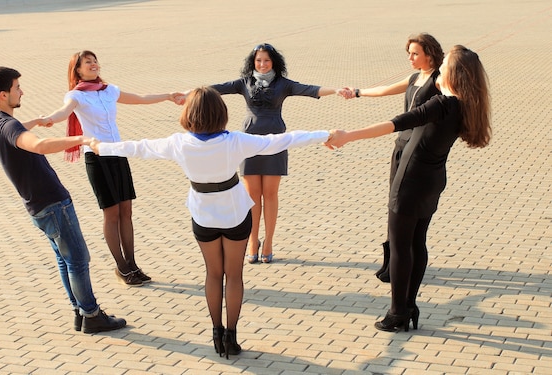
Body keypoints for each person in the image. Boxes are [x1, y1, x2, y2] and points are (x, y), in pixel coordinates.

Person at [89, 86, 342, 358]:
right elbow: (281, 140)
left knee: (213, 274)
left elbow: (138, 147)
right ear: (221, 113)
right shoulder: (235, 140)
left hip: (203, 215)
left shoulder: (178, 142)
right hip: (234, 213)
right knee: (234, 275)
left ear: (189, 114)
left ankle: (216, 332)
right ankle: (231, 336)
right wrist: (326, 135)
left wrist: (99, 147)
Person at [327, 45, 491, 332]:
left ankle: (397, 313)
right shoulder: (463, 105)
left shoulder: (441, 104)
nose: (441, 69)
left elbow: (395, 124)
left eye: (447, 65)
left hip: (411, 180)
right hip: (433, 181)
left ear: (454, 73)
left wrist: (348, 135)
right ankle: (409, 305)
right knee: (417, 242)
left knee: (401, 245)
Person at [0, 66, 127, 334]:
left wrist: (34, 122)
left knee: (65, 258)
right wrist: (81, 139)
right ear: (3, 95)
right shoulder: (10, 125)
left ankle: (80, 312)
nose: (21, 91)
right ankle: (92, 315)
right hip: (52, 202)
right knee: (78, 260)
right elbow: (38, 145)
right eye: (16, 88)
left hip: (37, 205)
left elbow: (16, 132)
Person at [42, 50, 183, 286]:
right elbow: (63, 111)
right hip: (97, 157)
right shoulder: (76, 95)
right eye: (88, 62)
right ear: (77, 70)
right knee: (112, 213)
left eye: (95, 60)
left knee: (126, 211)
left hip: (119, 153)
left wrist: (169, 95)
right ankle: (121, 266)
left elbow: (139, 98)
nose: (94, 64)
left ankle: (132, 264)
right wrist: (48, 119)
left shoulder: (108, 90)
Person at [209, 43, 346, 264]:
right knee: (252, 196)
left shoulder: (283, 84)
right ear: (252, 62)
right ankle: (252, 241)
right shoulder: (244, 83)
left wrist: (336, 90)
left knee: (270, 194)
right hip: (249, 142)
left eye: (266, 61)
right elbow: (215, 89)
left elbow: (311, 90)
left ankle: (269, 241)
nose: (262, 65)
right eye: (258, 61)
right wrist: (185, 94)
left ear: (274, 62)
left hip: (276, 142)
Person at [341, 33, 444, 283]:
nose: (410, 57)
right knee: (393, 202)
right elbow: (386, 90)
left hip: (420, 152)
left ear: (429, 54)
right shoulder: (415, 77)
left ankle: (402, 260)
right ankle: (391, 261)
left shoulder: (439, 80)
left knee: (405, 206)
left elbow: (454, 101)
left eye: (415, 53)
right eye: (409, 52)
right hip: (401, 147)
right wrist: (357, 92)